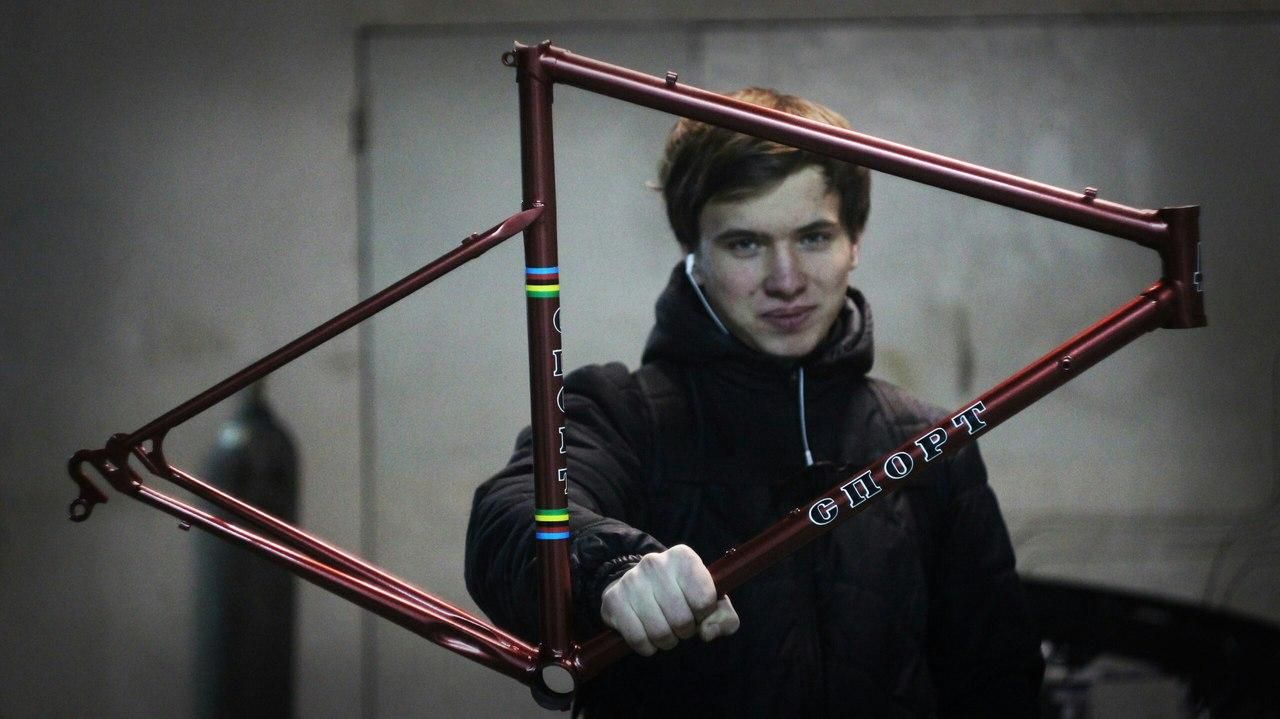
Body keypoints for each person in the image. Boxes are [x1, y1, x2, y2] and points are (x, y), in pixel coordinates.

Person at [465, 88, 1044, 716]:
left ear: (855, 241)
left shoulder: (929, 440)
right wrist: (609, 567)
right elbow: (511, 514)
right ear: (695, 254)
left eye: (814, 237)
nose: (786, 280)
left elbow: (998, 681)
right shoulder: (619, 414)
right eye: (745, 244)